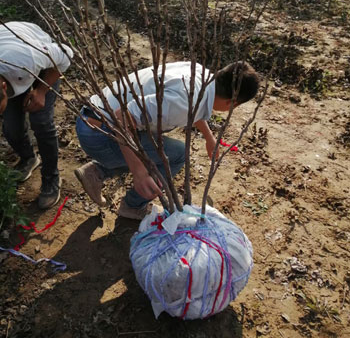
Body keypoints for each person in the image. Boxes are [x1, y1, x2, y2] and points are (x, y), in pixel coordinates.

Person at [75, 61, 260, 220]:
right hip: (99, 133)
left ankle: (97, 171)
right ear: (232, 103)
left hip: (95, 118)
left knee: (159, 151)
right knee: (177, 155)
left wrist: (209, 137)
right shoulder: (186, 100)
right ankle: (131, 205)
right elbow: (121, 118)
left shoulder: (200, 75)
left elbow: (191, 107)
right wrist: (139, 172)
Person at [0, 22, 73, 209]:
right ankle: (29, 159)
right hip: (10, 59)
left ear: (3, 88)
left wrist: (41, 90)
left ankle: (51, 178)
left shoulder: (27, 58)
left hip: (43, 63)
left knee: (41, 121)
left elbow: (65, 54)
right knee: (11, 126)